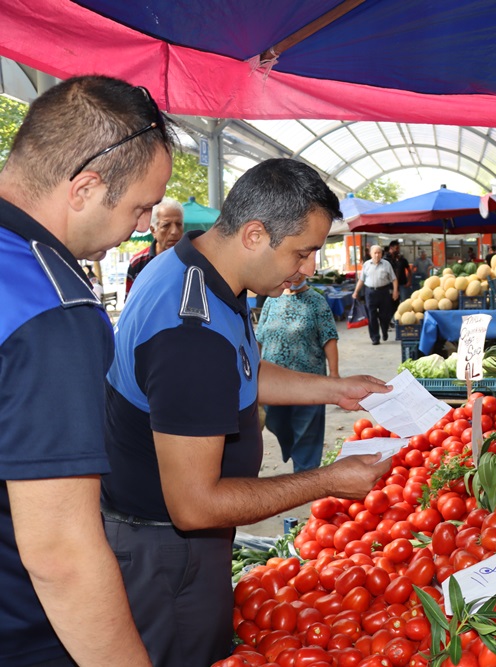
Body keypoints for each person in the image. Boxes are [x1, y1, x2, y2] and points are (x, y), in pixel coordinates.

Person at [103, 158, 392, 667]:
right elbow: (195, 504)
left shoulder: (206, 273)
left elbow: (245, 369)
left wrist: (335, 388)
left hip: (182, 544)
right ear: (255, 235)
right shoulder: (189, 331)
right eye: (302, 254)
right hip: (163, 551)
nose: (307, 270)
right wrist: (327, 480)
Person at [0, 75, 172, 667]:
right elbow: (61, 553)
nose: (145, 225)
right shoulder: (53, 306)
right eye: (141, 207)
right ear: (85, 188)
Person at [257, 278, 340, 472]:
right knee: (274, 421)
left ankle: (305, 473)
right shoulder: (272, 300)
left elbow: (329, 338)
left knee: (307, 435)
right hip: (274, 384)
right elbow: (259, 337)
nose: (294, 277)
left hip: (309, 384)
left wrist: (334, 375)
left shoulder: (316, 301)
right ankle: (293, 449)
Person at [125, 196, 184, 295]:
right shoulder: (138, 263)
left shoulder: (192, 259)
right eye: (166, 225)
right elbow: (130, 303)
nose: (174, 231)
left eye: (178, 224)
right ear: (153, 230)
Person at [353, 244, 398, 345]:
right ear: (371, 254)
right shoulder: (366, 265)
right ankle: (375, 338)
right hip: (370, 293)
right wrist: (356, 291)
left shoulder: (387, 264)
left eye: (379, 253)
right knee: (371, 316)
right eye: (375, 253)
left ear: (382, 254)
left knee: (385, 315)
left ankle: (385, 331)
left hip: (384, 292)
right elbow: (361, 280)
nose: (377, 255)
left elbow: (394, 279)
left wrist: (395, 291)